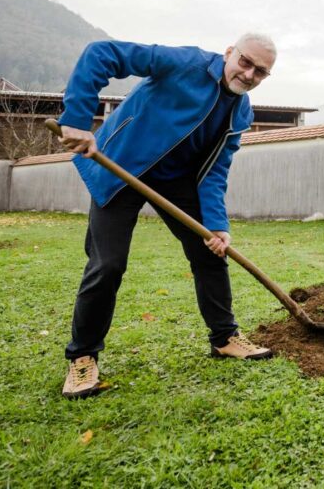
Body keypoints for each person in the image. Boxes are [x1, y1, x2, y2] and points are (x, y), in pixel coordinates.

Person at [54, 33, 278, 399]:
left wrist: (217, 225)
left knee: (211, 251)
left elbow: (215, 169)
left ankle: (224, 338)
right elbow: (103, 53)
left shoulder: (242, 111)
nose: (249, 73)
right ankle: (82, 357)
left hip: (176, 182)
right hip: (120, 168)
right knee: (107, 264)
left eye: (261, 71)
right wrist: (77, 117)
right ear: (229, 53)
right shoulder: (183, 64)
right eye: (245, 62)